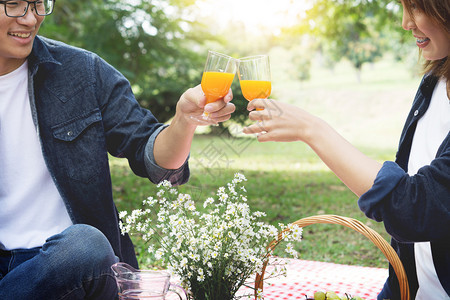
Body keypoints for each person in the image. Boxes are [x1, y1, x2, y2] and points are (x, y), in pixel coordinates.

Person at [0, 0, 235, 299]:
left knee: (87, 244)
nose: (31, 19)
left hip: (73, 268)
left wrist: (184, 121)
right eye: (15, 5)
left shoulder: (83, 72)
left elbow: (156, 161)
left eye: (38, 4)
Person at [243, 0, 449, 299]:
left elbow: (415, 208)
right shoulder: (433, 83)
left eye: (417, 6)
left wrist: (312, 130)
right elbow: (409, 238)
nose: (406, 22)